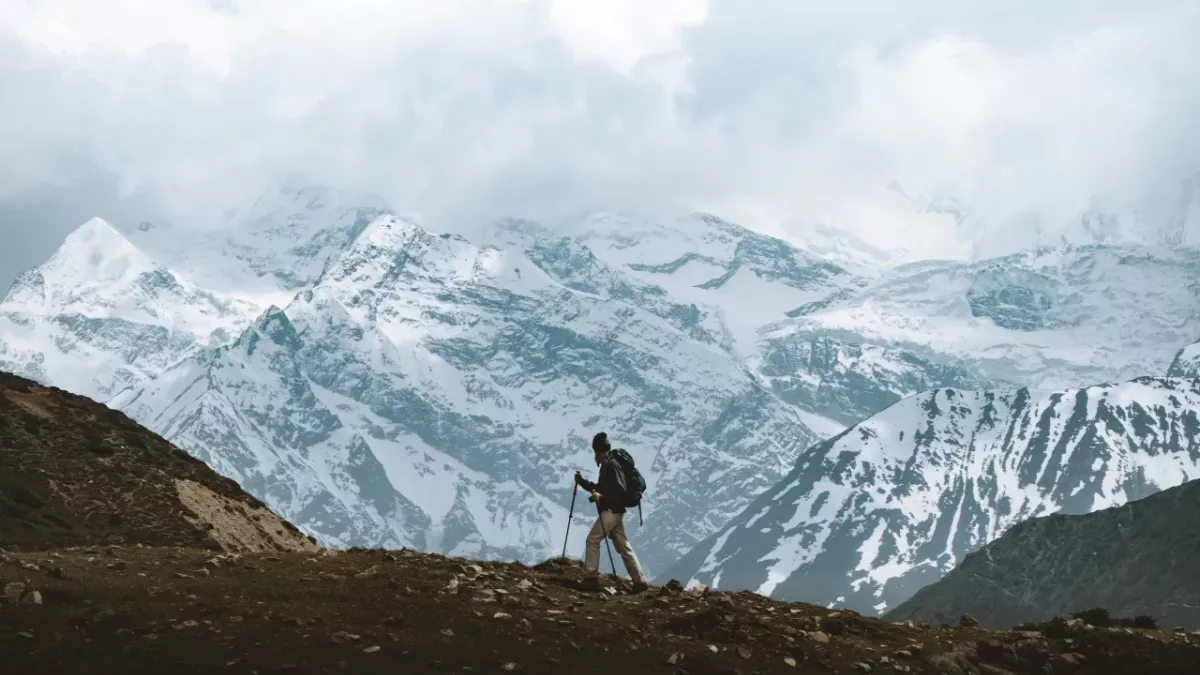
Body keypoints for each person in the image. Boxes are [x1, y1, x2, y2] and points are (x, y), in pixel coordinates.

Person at [574, 432, 649, 592]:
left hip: (611, 511)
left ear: (599, 451)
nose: (595, 455)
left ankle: (590, 578)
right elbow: (603, 487)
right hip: (616, 511)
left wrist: (601, 496)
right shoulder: (610, 463)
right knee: (624, 546)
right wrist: (583, 482)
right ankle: (640, 581)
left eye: (595, 451)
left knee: (592, 539)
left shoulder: (611, 465)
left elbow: (618, 490)